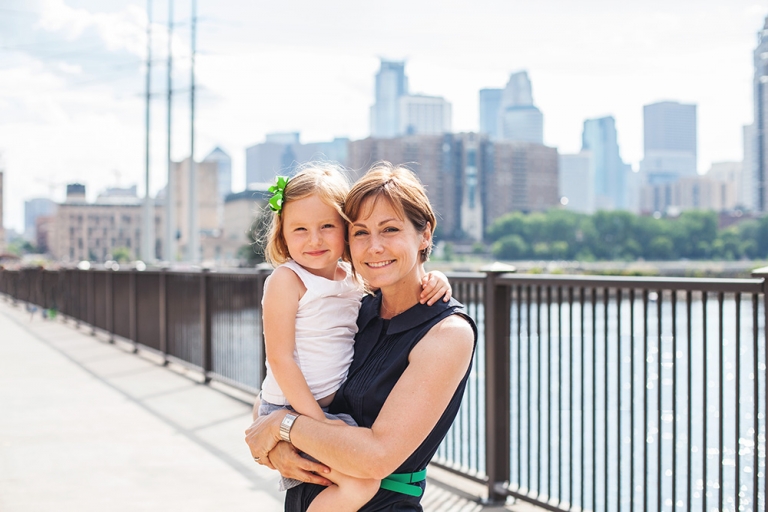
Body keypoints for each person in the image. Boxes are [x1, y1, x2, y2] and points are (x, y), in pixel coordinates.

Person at [246, 162, 477, 511]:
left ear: (425, 235)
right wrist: (274, 441)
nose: (374, 247)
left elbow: (376, 459)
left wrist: (282, 425)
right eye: (360, 232)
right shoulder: (358, 306)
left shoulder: (446, 333)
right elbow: (275, 389)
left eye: (390, 229)